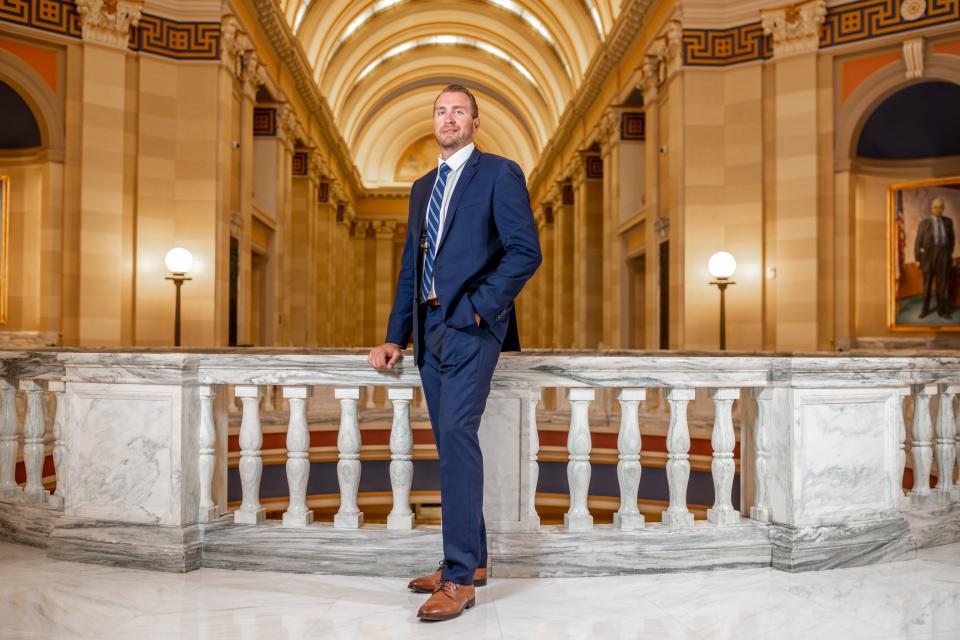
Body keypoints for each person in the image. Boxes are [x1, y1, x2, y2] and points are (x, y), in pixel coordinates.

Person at [367, 84, 541, 621]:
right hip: (429, 329)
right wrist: (397, 334)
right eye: (441, 112)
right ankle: (475, 558)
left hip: (469, 326)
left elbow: (524, 252)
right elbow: (409, 269)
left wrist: (478, 309)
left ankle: (460, 577)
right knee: (451, 445)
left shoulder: (499, 173)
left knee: (458, 438)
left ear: (475, 122)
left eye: (458, 111)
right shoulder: (422, 187)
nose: (449, 119)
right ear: (433, 122)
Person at [914, 197, 955, 319]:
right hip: (928, 257)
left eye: (941, 207)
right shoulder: (924, 223)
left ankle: (942, 310)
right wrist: (917, 258)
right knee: (927, 285)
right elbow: (918, 242)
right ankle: (925, 310)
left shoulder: (948, 221)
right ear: (932, 208)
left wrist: (949, 253)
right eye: (936, 207)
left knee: (942, 286)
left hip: (943, 256)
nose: (938, 209)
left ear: (943, 209)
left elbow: (952, 240)